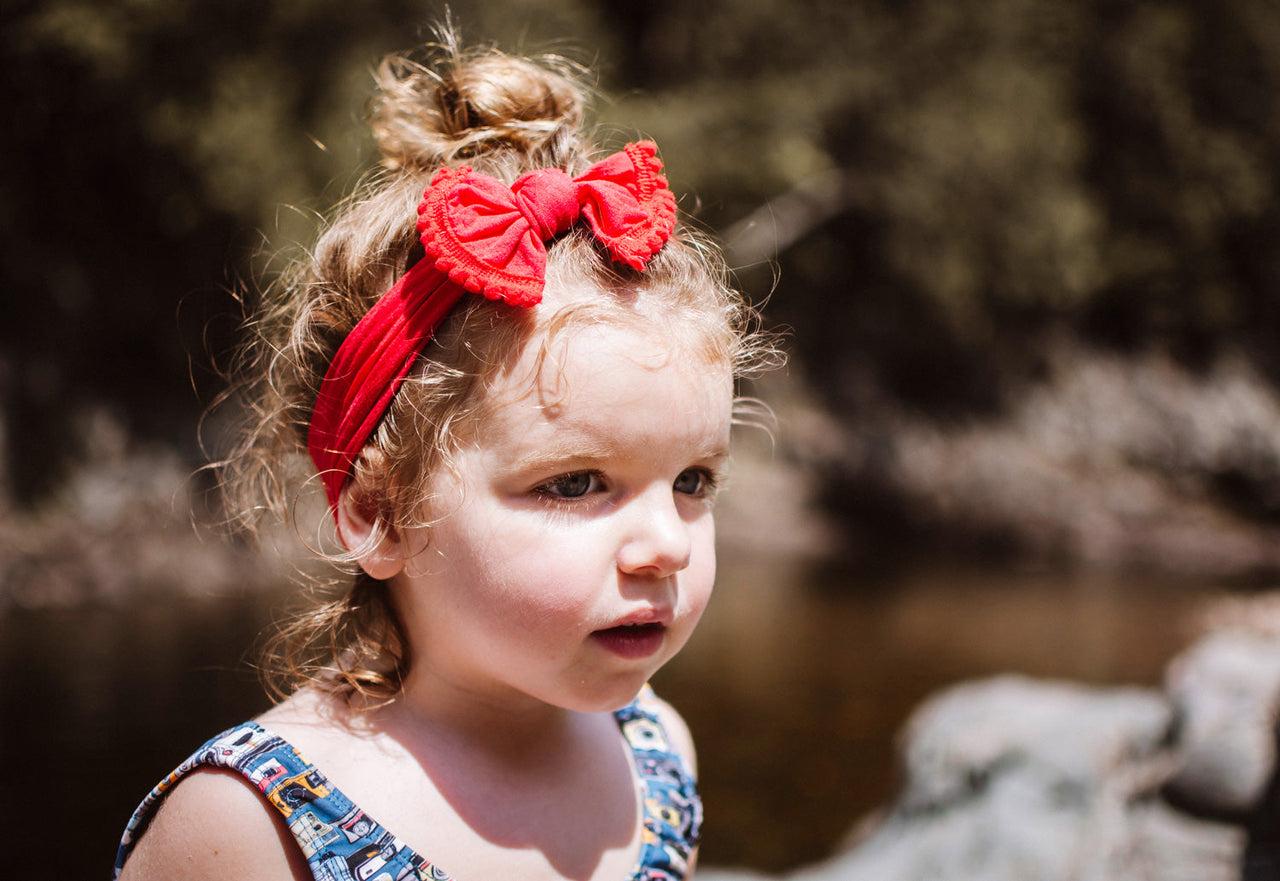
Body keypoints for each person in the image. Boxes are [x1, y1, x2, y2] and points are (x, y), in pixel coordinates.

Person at [114, 32, 775, 881]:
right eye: (575, 482)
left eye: (693, 480)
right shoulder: (254, 826)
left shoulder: (654, 753)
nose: (669, 544)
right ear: (378, 513)